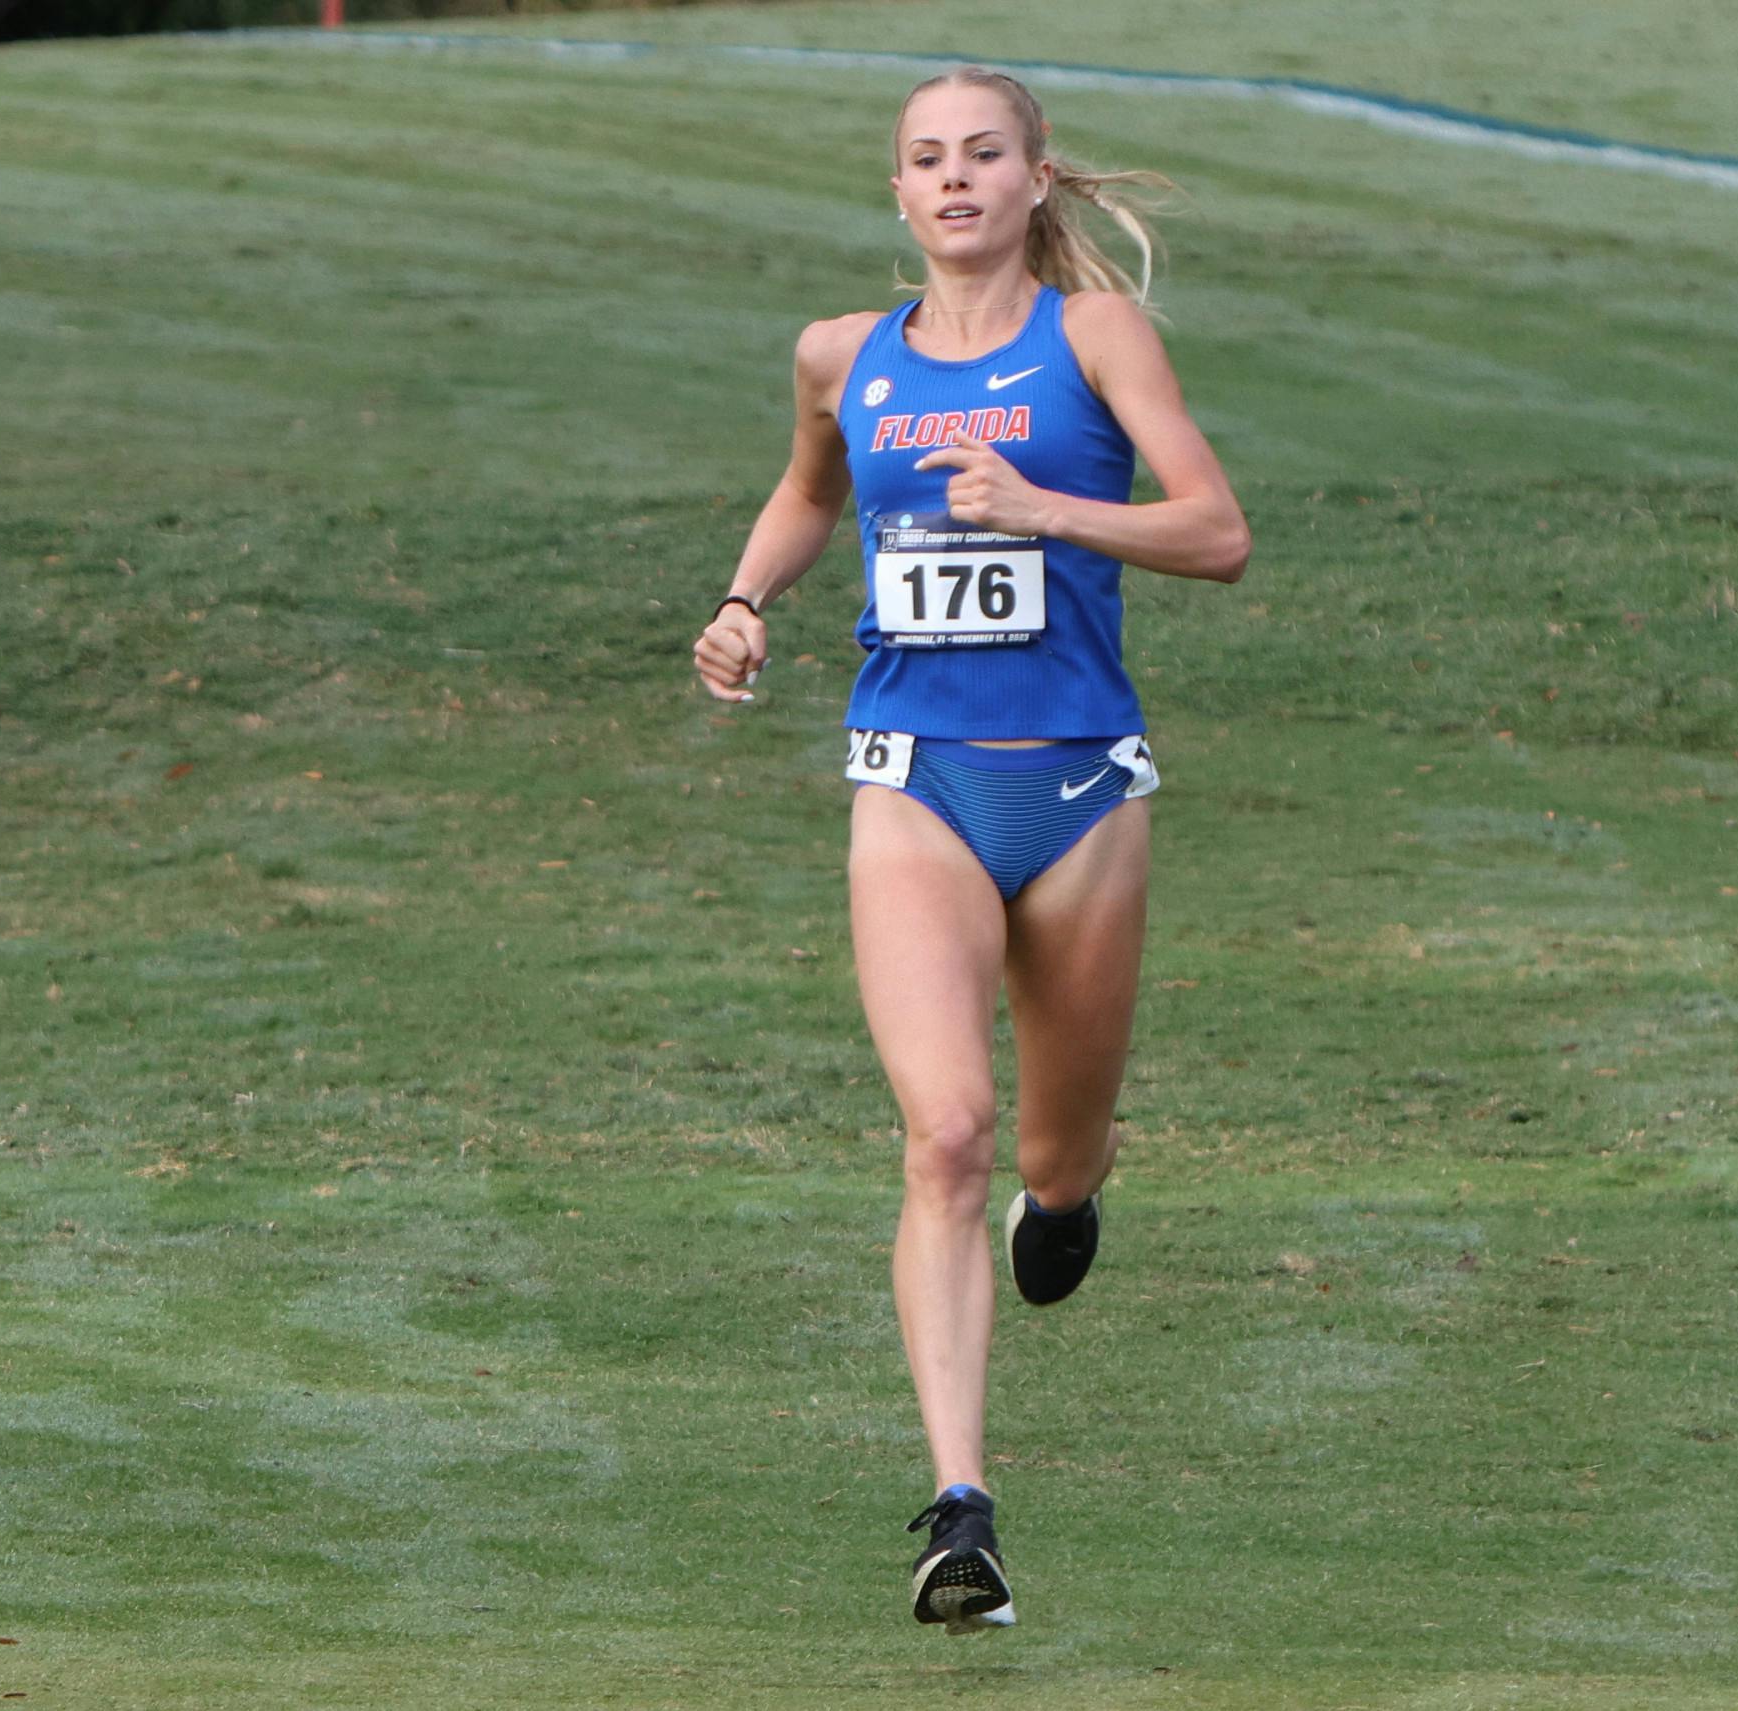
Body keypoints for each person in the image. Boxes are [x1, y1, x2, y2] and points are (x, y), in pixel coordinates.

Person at [692, 65, 1249, 1634]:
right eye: (925, 159)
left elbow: (1217, 529)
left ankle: (1062, 1207)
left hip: (1081, 790)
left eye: (982, 155)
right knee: (946, 1131)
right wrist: (745, 605)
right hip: (913, 780)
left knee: (1053, 1163)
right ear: (898, 192)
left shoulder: (1093, 340)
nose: (954, 180)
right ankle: (961, 1515)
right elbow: (809, 496)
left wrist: (1051, 510)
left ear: (1034, 177)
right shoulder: (839, 357)